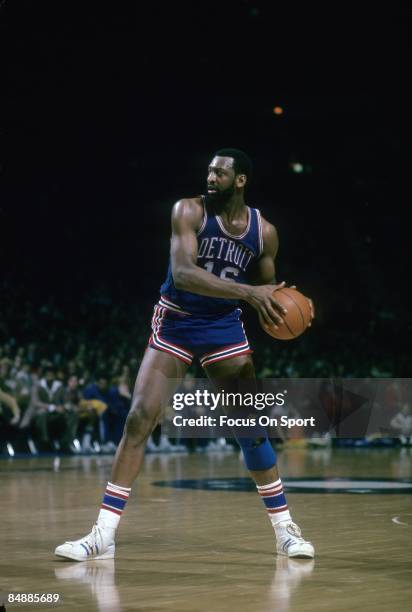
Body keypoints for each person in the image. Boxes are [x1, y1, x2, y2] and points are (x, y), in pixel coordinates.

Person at [55, 148, 315, 561]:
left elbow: (269, 290)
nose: (210, 177)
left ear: (241, 179)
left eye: (220, 172)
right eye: (209, 170)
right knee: (140, 417)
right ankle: (102, 534)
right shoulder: (188, 211)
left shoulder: (264, 232)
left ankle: (285, 531)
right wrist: (250, 294)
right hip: (176, 319)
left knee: (248, 427)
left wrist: (280, 310)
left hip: (223, 328)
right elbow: (184, 274)